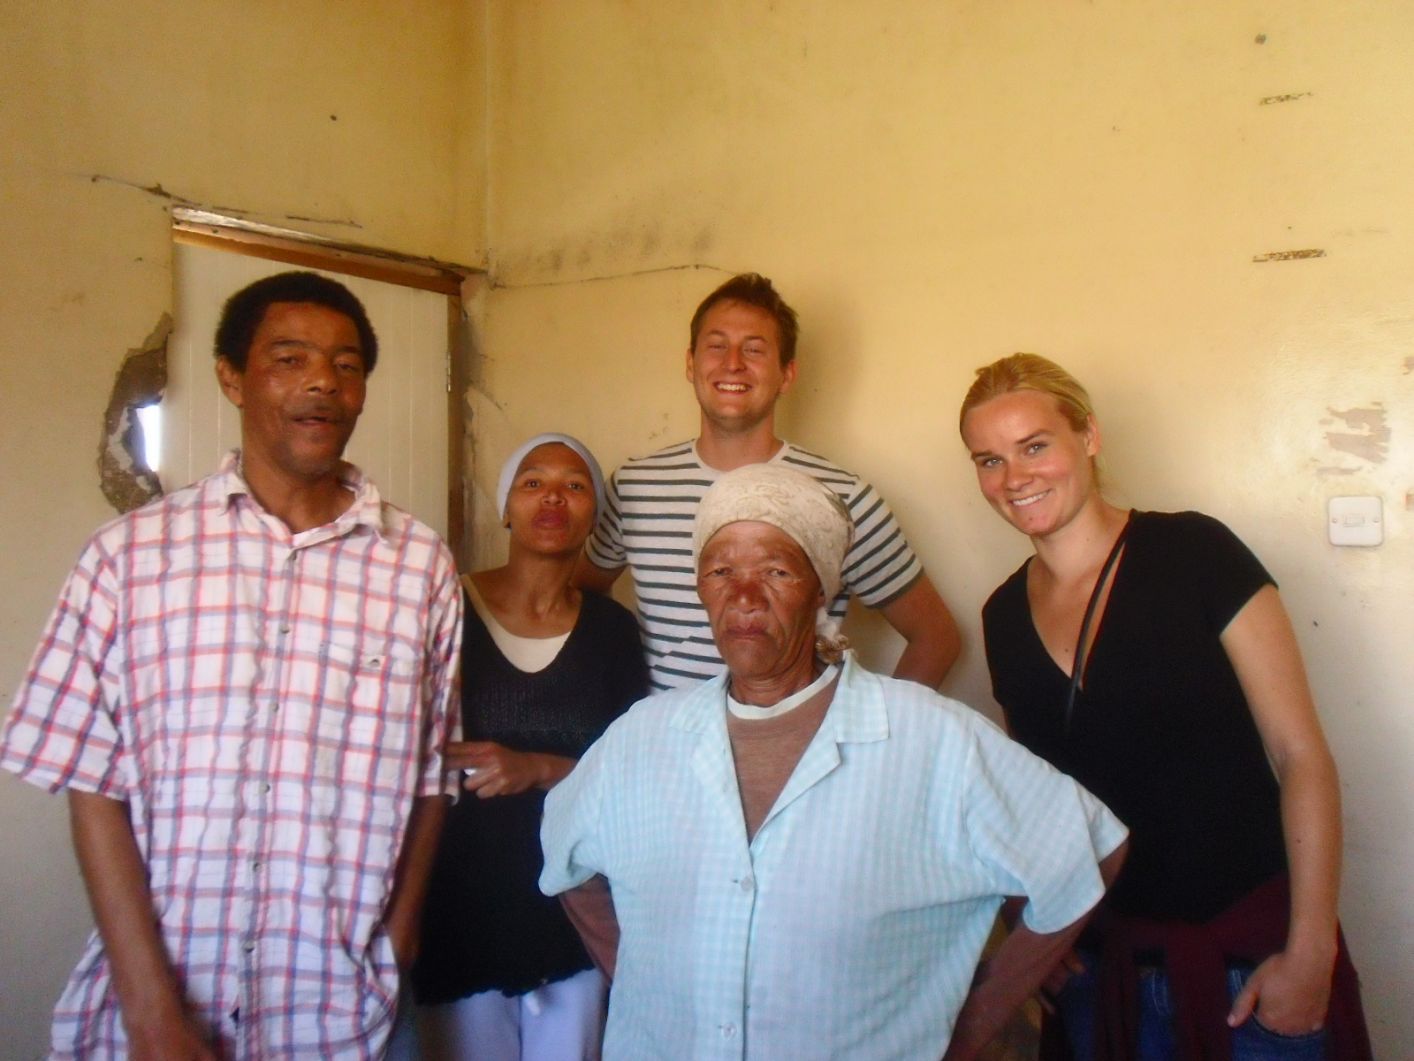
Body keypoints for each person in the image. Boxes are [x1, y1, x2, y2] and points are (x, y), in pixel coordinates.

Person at [0, 272, 462, 1058]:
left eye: (347, 365)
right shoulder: (130, 558)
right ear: (231, 377)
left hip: (347, 1012)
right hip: (159, 1013)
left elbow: (432, 770)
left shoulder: (418, 567)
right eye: (289, 358)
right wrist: (152, 1012)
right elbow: (91, 784)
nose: (323, 381)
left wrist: (401, 935)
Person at [542, 463, 1128, 1059]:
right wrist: (643, 987)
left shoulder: (931, 738)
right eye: (720, 572)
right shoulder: (640, 738)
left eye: (775, 571)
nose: (743, 597)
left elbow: (1092, 848)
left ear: (820, 588)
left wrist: (973, 1024)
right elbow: (567, 859)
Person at [958, 353, 1371, 1060]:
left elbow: (1301, 755)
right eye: (989, 459)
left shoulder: (1196, 552)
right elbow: (1028, 804)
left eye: (1034, 446)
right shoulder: (1002, 614)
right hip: (1102, 973)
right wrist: (1032, 929)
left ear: (1088, 436)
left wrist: (1311, 951)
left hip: (1247, 965)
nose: (1014, 477)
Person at [577, 272, 960, 692]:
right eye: (716, 345)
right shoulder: (633, 487)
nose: (733, 363)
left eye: (754, 349)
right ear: (690, 363)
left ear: (787, 374)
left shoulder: (843, 497)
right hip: (662, 734)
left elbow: (936, 636)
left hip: (798, 734)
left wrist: (871, 730)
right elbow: (577, 600)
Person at [402, 433, 648, 1060]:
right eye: (533, 482)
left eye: (574, 486)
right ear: (506, 508)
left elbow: (632, 774)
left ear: (594, 516)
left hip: (573, 908)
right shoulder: (446, 607)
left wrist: (536, 768)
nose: (553, 499)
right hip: (460, 904)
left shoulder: (613, 633)